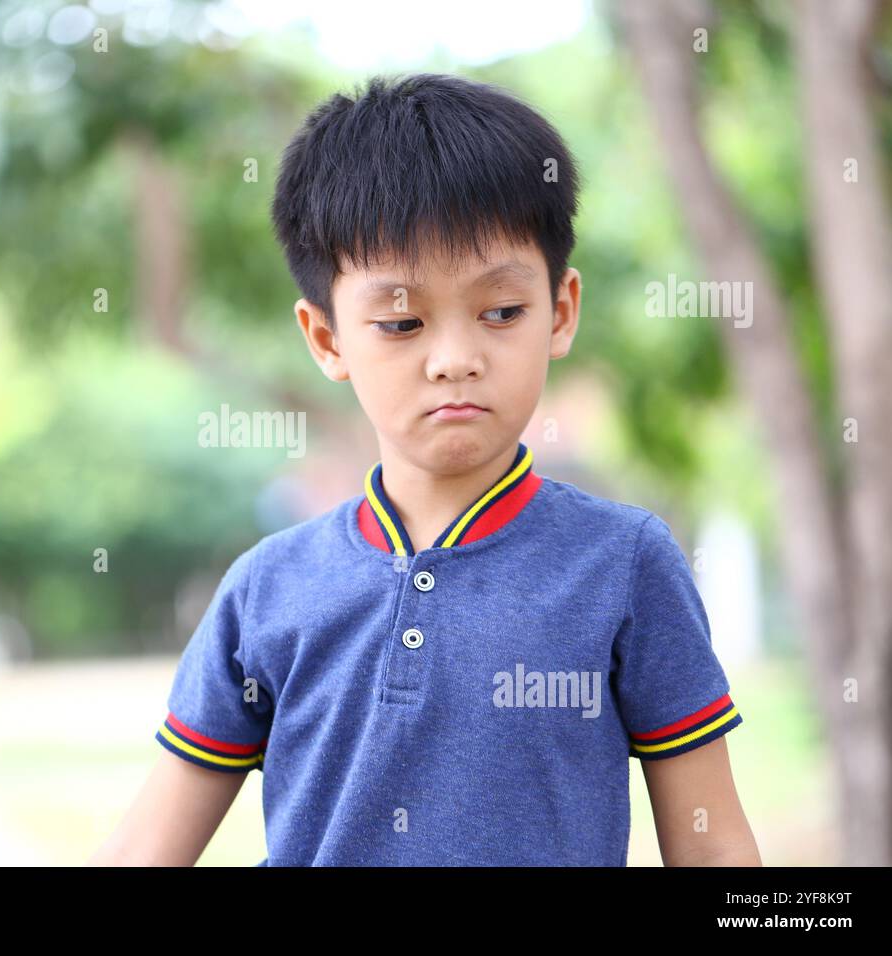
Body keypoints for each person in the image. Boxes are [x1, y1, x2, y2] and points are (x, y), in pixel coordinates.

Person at [90, 73, 758, 866]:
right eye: (401, 321)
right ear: (328, 338)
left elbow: (714, 847)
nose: (455, 360)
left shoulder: (625, 564)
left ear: (562, 310)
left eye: (501, 312)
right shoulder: (267, 588)